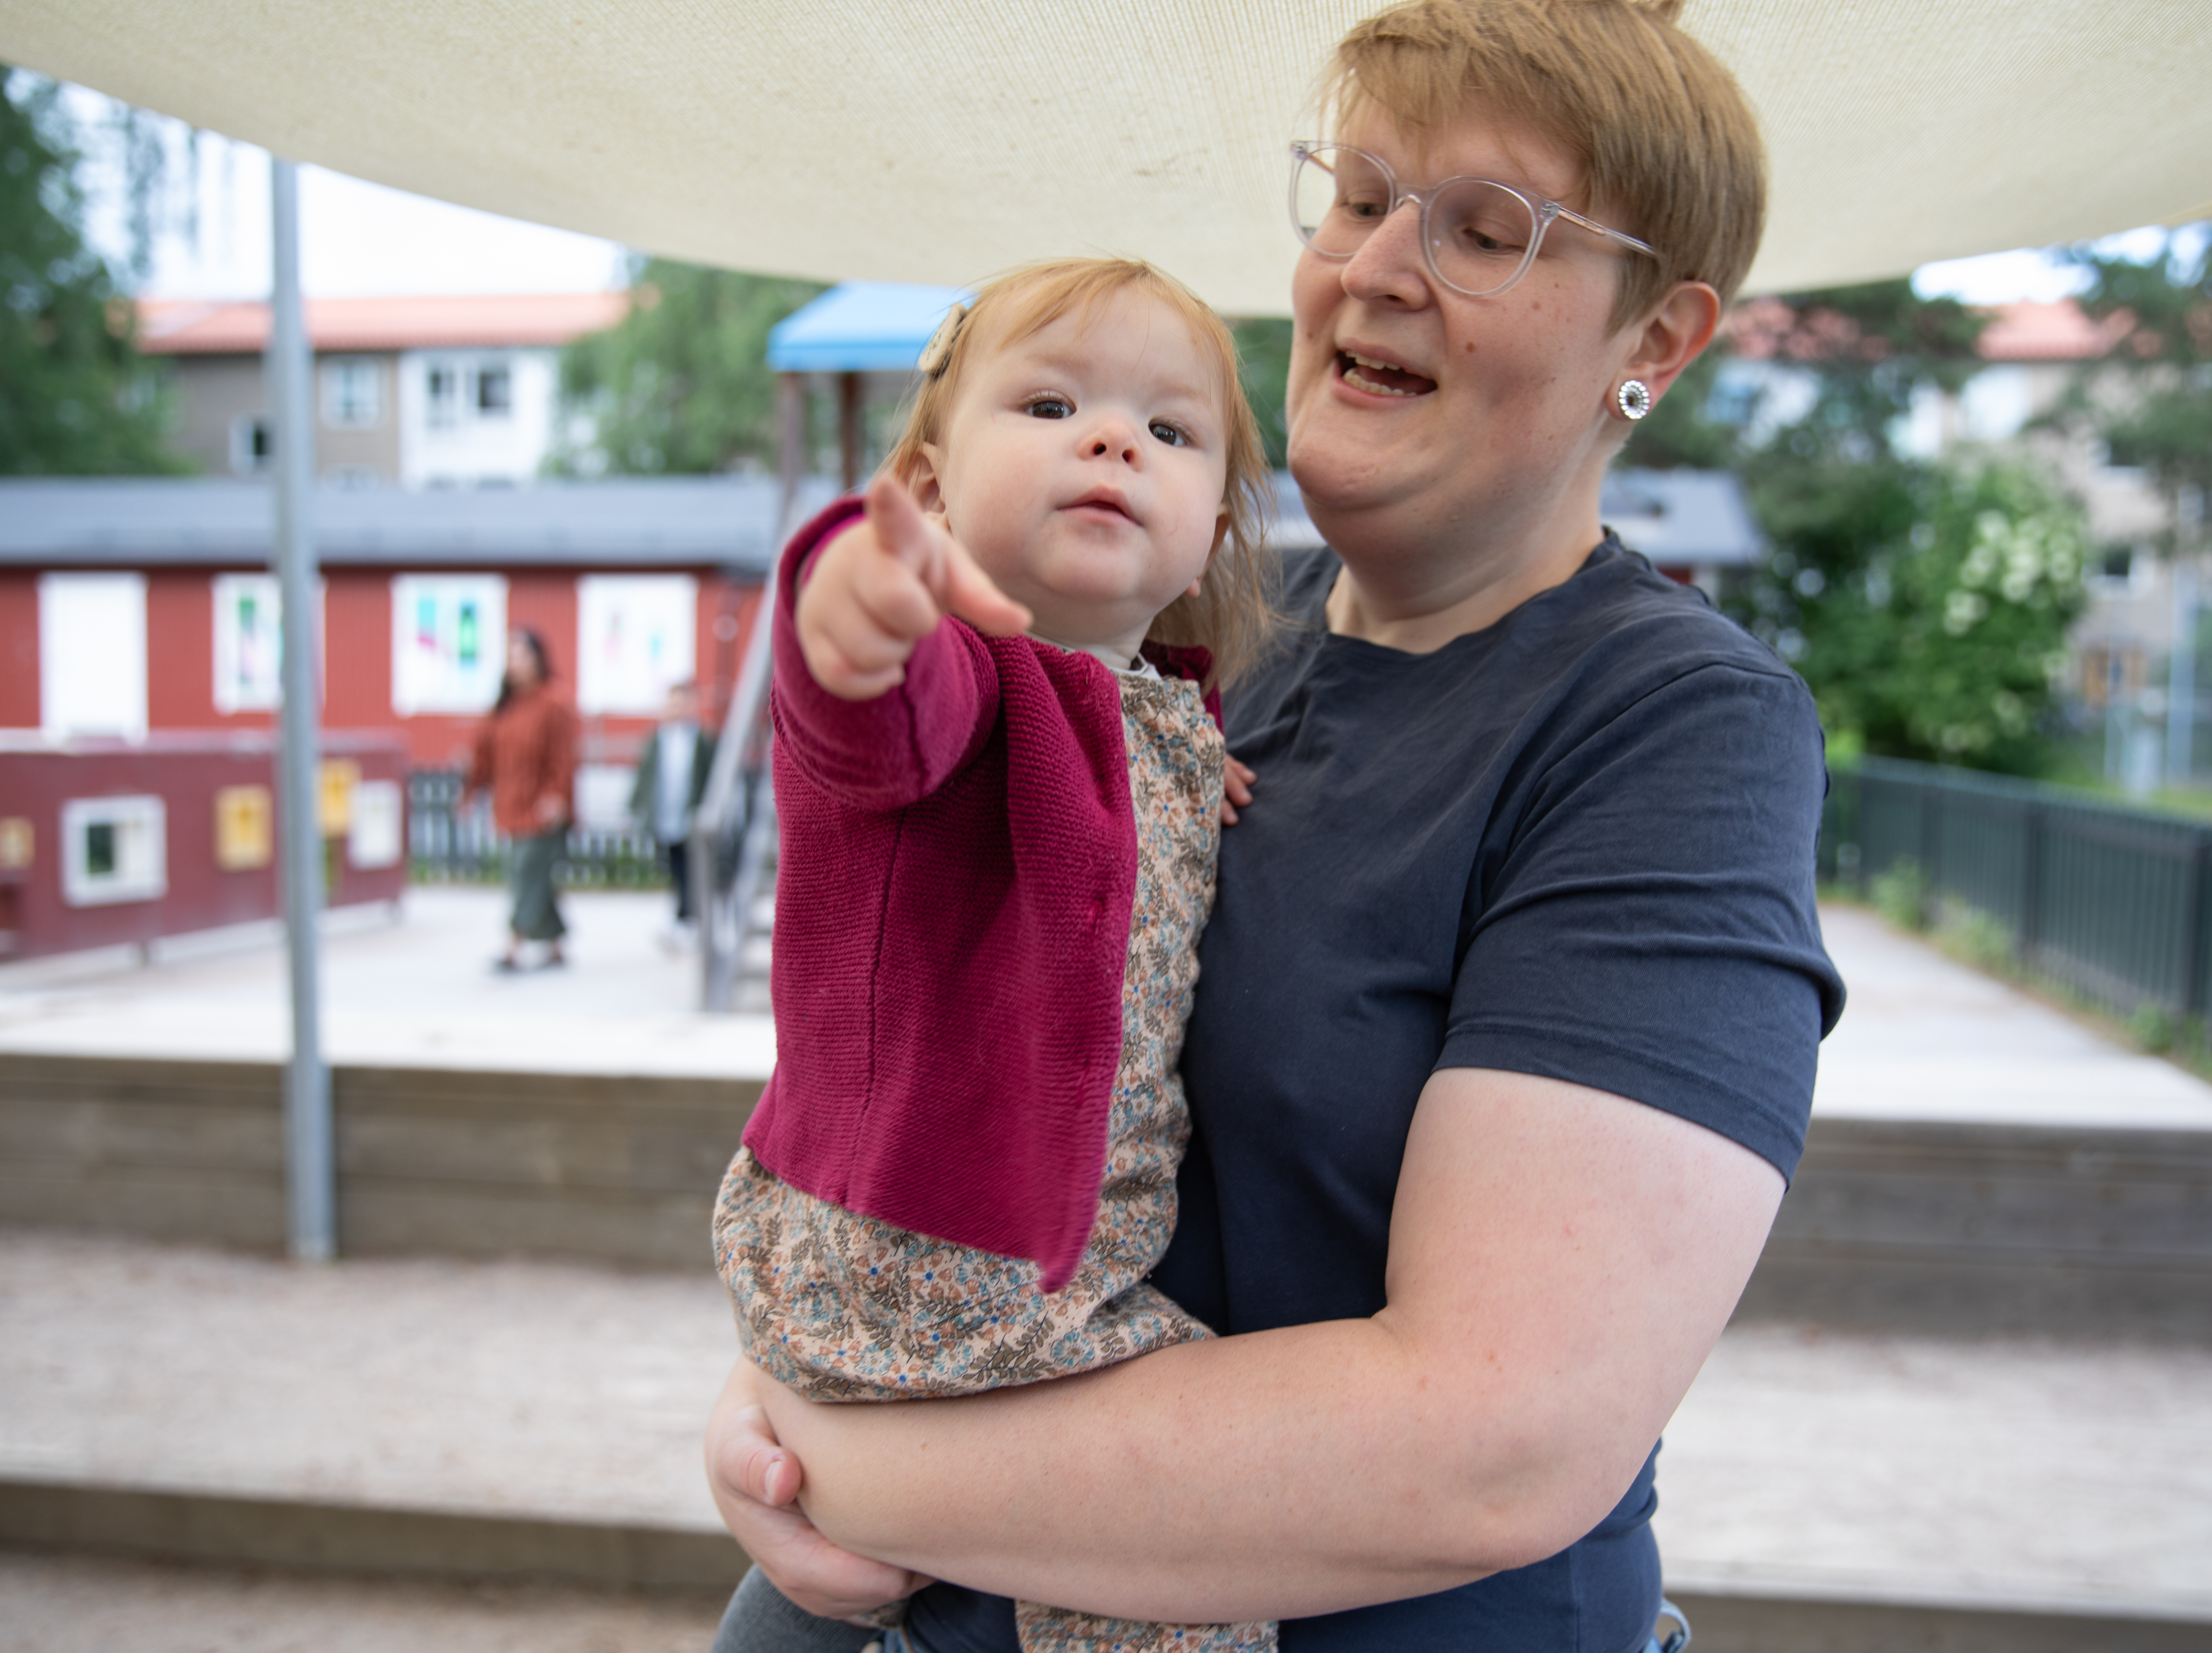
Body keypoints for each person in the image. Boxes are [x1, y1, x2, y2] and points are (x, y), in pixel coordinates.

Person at [706, 2, 1847, 1650]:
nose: (1377, 266)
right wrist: (780, 1375)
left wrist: (842, 1459)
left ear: (1653, 340)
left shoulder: (1673, 729)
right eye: (1359, 194)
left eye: (1480, 227)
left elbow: (1495, 1440)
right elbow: (919, 1048)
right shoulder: (1183, 651)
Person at [710, 257, 1279, 1653]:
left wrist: (1198, 774)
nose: (1109, 440)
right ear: (929, 482)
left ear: (1205, 533)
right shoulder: (952, 683)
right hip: (929, 1258)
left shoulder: (1171, 725)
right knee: (1198, 1550)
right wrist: (858, 593)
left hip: (1026, 1273)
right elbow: (865, 706)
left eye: (1168, 429)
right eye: (1047, 401)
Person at [461, 627, 578, 972]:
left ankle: (512, 944)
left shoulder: (554, 701)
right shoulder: (504, 706)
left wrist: (557, 797)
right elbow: (483, 753)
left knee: (527, 871)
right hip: (510, 804)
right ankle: (555, 944)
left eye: (522, 655)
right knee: (532, 873)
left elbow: (564, 756)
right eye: (511, 656)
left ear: (539, 659)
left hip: (542, 807)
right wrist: (471, 791)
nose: (516, 663)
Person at [628, 677, 718, 946]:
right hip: (665, 815)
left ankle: (690, 919)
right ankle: (683, 918)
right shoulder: (658, 739)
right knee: (674, 868)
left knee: (691, 869)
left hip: (691, 816)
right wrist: (636, 808)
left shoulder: (702, 739)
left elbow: (711, 776)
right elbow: (645, 777)